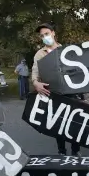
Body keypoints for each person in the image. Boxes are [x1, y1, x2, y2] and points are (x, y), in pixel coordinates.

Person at [32, 23, 81, 157]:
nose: (44, 37)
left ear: (53, 33)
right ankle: (62, 151)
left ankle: (75, 151)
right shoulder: (39, 54)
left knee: (74, 123)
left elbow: (77, 70)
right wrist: (36, 83)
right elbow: (35, 73)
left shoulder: (65, 50)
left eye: (46, 34)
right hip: (53, 95)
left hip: (70, 94)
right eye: (42, 36)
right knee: (58, 124)